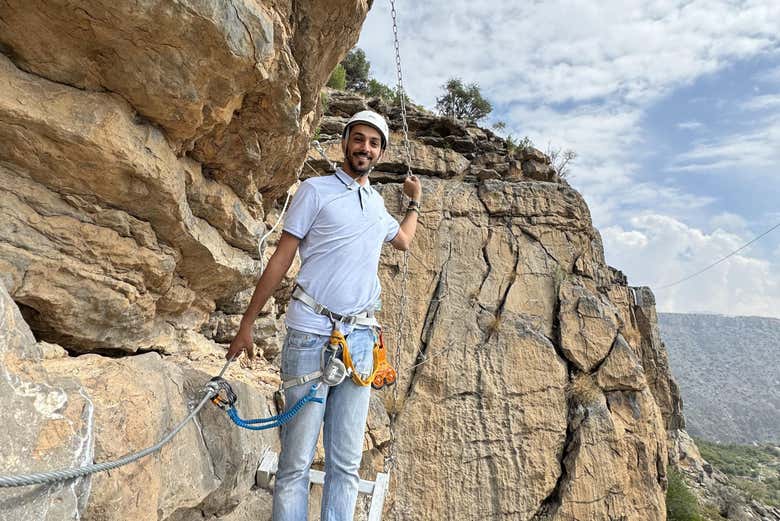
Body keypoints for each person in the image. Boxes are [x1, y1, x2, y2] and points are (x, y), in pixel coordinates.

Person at [226, 109, 422, 521]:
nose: (364, 147)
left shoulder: (376, 205)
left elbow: (403, 240)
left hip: (362, 340)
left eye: (373, 142)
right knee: (296, 462)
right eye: (359, 138)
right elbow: (281, 259)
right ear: (345, 142)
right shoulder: (314, 191)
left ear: (381, 152)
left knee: (345, 464)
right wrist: (247, 324)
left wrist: (413, 203)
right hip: (311, 333)